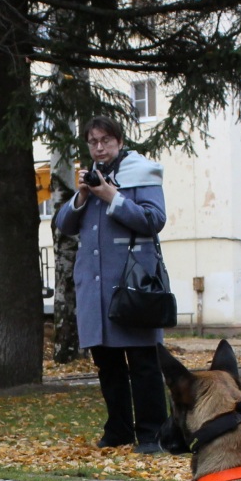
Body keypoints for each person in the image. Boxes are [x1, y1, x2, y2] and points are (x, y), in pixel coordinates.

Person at [52, 115, 171, 453]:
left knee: (143, 362)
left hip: (133, 285)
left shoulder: (141, 172)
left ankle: (151, 433)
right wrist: (82, 195)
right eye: (93, 142)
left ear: (119, 141)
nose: (99, 147)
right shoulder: (89, 179)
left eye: (106, 140)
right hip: (96, 287)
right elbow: (65, 224)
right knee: (108, 363)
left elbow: (154, 219)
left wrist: (112, 197)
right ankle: (118, 429)